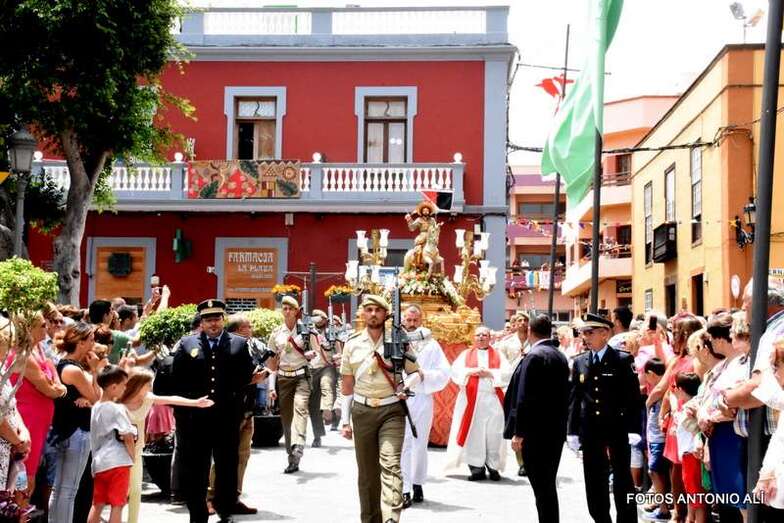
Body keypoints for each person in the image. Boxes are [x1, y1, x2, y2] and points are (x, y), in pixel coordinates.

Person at [169, 299, 261, 523]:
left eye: (217, 319)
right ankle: (197, 512)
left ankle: (224, 509)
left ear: (223, 319)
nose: (213, 324)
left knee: (227, 466)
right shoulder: (186, 343)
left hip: (226, 417)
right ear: (201, 322)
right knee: (196, 468)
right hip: (195, 419)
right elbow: (176, 378)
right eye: (208, 320)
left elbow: (246, 377)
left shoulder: (238, 344)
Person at [340, 294, 420, 523]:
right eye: (369, 309)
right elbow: (347, 386)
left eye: (378, 310)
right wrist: (344, 421)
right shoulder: (352, 343)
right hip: (362, 411)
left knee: (391, 464)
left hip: (391, 411)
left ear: (386, 314)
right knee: (367, 475)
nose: (373, 314)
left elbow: (415, 373)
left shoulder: (399, 340)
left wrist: (405, 386)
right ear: (363, 313)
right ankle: (370, 519)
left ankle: (391, 518)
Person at [566, 313, 641, 523]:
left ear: (605, 334)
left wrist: (634, 428)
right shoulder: (580, 362)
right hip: (591, 430)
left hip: (616, 427)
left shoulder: (622, 360)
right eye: (583, 333)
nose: (585, 337)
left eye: (590, 333)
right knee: (594, 479)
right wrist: (572, 430)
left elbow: (633, 398)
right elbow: (575, 399)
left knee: (622, 479)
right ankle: (600, 519)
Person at [120, 368, 214, 523]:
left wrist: (196, 403)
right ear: (138, 385)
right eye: (148, 384)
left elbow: (172, 399)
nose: (150, 387)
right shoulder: (119, 400)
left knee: (136, 491)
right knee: (121, 494)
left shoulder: (148, 398)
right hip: (117, 454)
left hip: (136, 452)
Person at [504, 314, 569, 523]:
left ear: (530, 332)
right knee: (547, 485)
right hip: (554, 431)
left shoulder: (534, 356)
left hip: (535, 433)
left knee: (542, 487)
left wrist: (518, 433)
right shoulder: (559, 355)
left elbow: (524, 399)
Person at [49, 322, 104, 523]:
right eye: (90, 339)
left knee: (60, 489)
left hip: (64, 430)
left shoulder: (62, 364)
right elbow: (97, 398)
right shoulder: (74, 370)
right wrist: (96, 370)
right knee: (68, 490)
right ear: (81, 343)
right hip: (77, 432)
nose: (93, 343)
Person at [206, 313, 259, 516]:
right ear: (237, 330)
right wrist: (253, 379)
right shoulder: (225, 349)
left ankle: (233, 497)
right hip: (230, 411)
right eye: (247, 326)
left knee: (242, 455)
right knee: (223, 456)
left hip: (247, 408)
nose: (250, 329)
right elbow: (233, 380)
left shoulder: (250, 347)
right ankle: (212, 497)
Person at [444, 326, 512, 481]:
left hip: (493, 399)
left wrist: (490, 373)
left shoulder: (498, 354)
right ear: (473, 337)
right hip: (471, 401)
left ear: (490, 337)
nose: (481, 337)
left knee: (494, 434)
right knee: (475, 435)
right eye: (478, 335)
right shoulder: (466, 354)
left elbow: (508, 373)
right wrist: (470, 371)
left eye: (485, 335)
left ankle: (493, 467)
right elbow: (455, 371)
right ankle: (477, 468)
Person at [399, 304, 450, 508]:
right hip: (400, 397)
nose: (411, 324)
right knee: (404, 444)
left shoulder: (431, 344)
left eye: (415, 320)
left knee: (420, 444)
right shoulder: (396, 341)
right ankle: (404, 488)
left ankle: (418, 482)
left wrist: (424, 376)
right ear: (403, 319)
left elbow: (443, 372)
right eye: (408, 320)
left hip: (422, 397)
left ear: (421, 320)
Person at [266, 296, 315, 473]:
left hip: (302, 376)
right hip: (284, 378)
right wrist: (271, 387)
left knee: (300, 408)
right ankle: (292, 457)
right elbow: (271, 364)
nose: (287, 311)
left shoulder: (307, 330)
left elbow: (317, 353)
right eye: (284, 308)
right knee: (287, 420)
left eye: (290, 308)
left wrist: (312, 355)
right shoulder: (276, 333)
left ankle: (299, 444)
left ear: (296, 311)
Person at [87, 365, 136, 523]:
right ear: (113, 387)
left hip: (100, 462)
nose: (125, 388)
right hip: (118, 462)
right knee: (117, 505)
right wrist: (132, 457)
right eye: (123, 384)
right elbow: (127, 436)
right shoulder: (117, 409)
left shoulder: (96, 408)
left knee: (97, 503)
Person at [672, 372, 706, 523]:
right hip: (689, 456)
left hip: (692, 455)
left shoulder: (690, 408)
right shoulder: (690, 406)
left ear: (680, 389)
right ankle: (690, 519)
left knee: (697, 497)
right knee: (692, 494)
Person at [641, 358, 670, 520]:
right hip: (653, 439)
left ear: (651, 374)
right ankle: (663, 506)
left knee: (654, 471)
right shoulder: (654, 391)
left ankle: (664, 508)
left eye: (646, 375)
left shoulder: (661, 392)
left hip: (660, 439)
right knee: (657, 472)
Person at [308, 309, 338, 448]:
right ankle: (317, 435)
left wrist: (339, 357)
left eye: (320, 318)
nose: (317, 321)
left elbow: (340, 350)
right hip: (312, 368)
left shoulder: (334, 332)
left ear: (326, 319)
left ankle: (327, 409)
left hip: (328, 366)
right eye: (315, 318)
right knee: (313, 405)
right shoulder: (308, 332)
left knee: (326, 385)